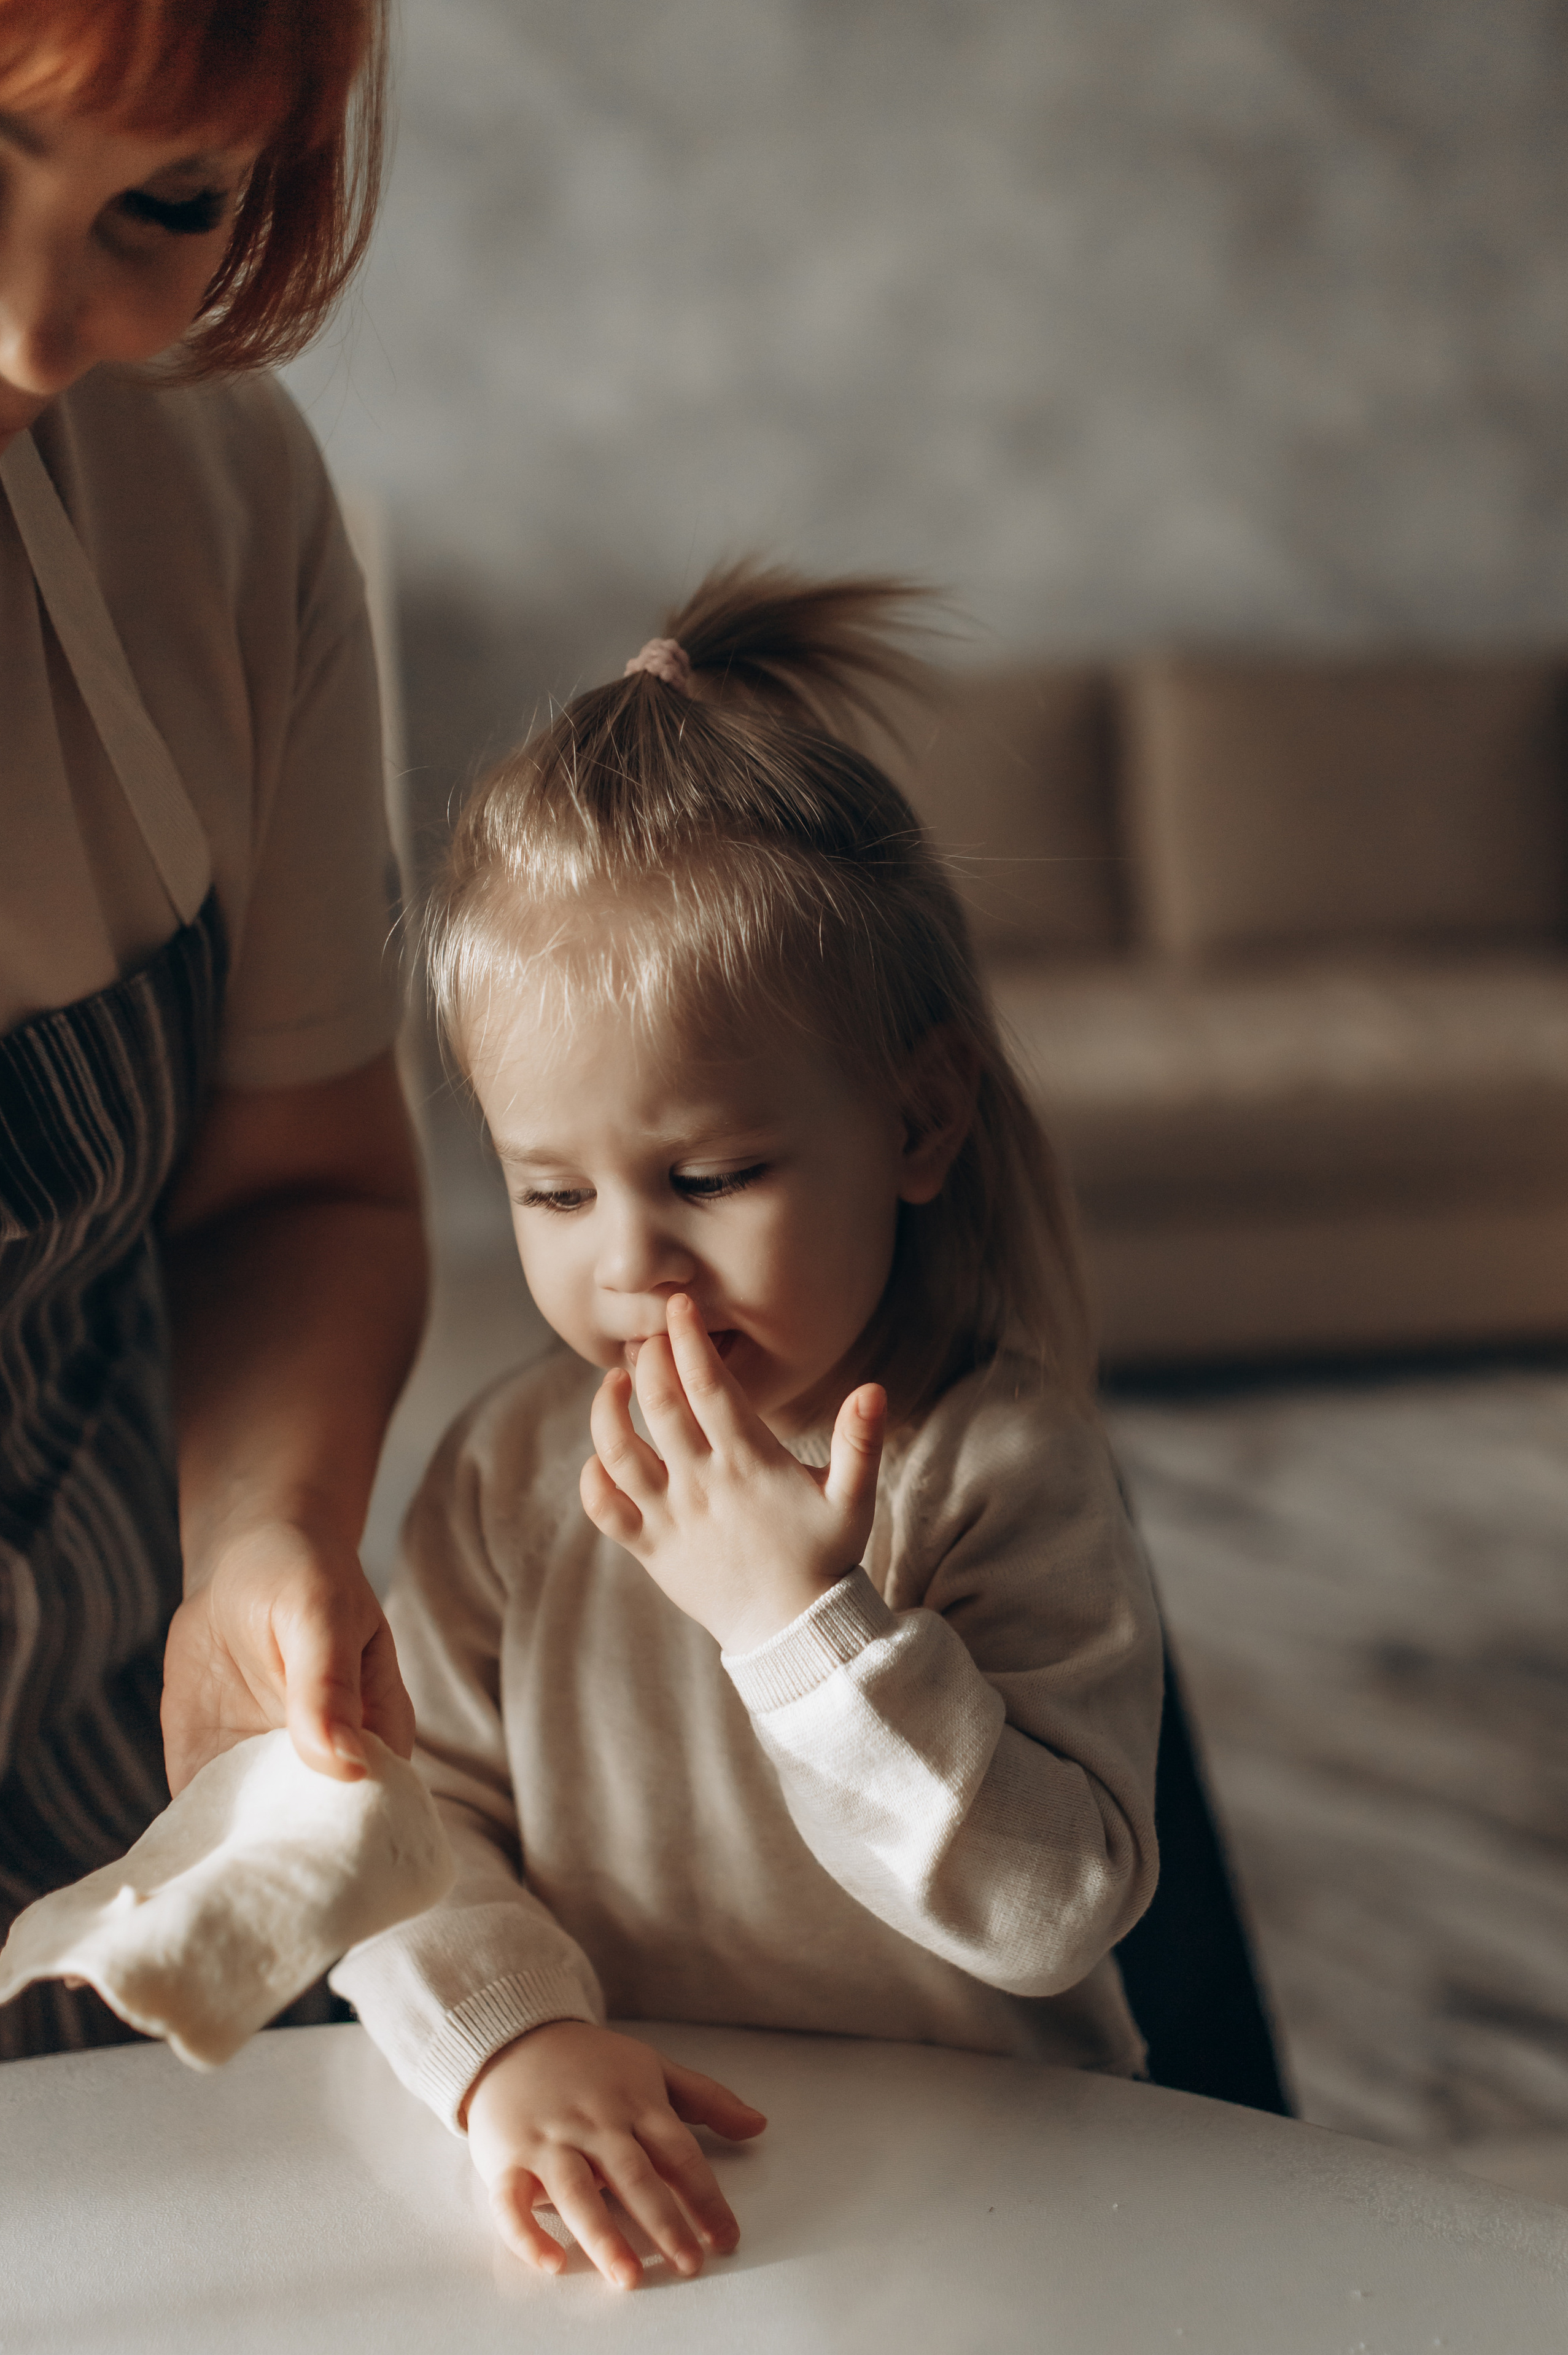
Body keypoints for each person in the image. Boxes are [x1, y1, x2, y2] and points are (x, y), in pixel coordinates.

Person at [333, 567, 1165, 2290]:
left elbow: (1051, 1917)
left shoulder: (997, 1465)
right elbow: (401, 1825)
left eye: (710, 1176)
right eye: (552, 1189)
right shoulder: (502, 1479)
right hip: (665, 2208)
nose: (630, 1261)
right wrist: (505, 2044)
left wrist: (805, 1631)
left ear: (918, 1117)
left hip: (1005, 2216)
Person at [0, 0, 427, 2060]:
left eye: (157, 212)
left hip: (84, 1805)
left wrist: (263, 1530)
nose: (30, 331)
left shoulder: (216, 500)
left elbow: (304, 1183)